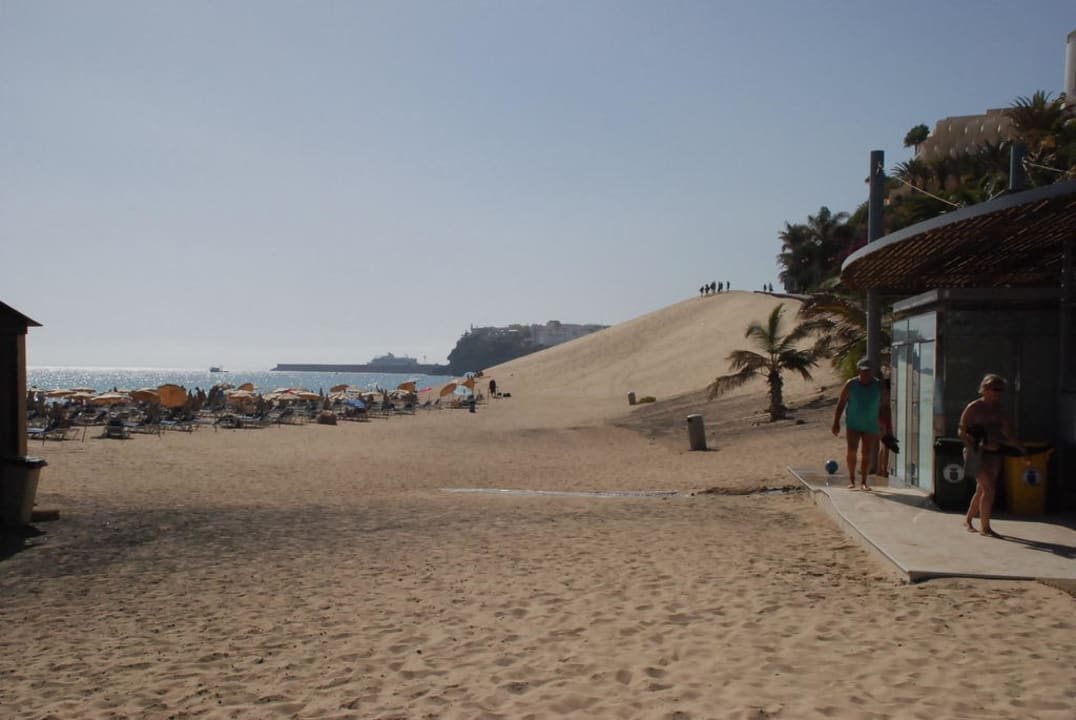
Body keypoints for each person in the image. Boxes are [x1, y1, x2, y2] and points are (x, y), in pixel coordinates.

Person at [960, 374, 1027, 537]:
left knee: (982, 489)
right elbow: (961, 430)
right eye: (994, 388)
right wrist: (976, 442)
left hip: (993, 454)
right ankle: (986, 528)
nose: (997, 392)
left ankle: (968, 520)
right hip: (976, 452)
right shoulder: (973, 407)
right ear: (985, 389)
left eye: (1000, 389)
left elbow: (1008, 434)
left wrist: (1022, 449)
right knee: (989, 488)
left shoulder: (999, 410)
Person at [832, 358, 884, 490]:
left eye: (867, 371)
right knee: (851, 451)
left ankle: (864, 481)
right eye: (862, 371)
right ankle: (851, 479)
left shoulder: (878, 385)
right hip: (853, 423)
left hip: (871, 424)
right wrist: (836, 422)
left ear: (871, 371)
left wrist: (886, 424)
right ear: (858, 371)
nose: (865, 374)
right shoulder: (851, 384)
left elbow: (885, 405)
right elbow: (841, 403)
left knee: (867, 452)